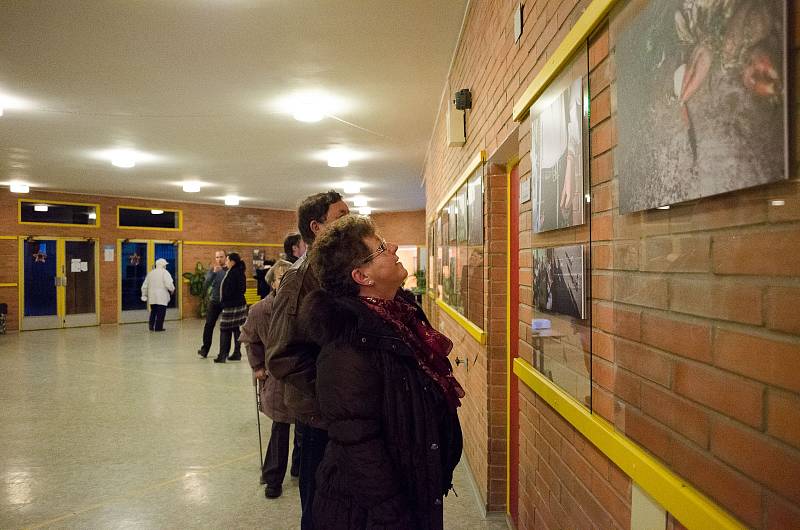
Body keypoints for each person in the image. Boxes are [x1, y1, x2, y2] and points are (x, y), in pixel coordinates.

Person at [299, 215, 464, 529]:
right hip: (370, 513)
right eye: (380, 248)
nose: (394, 247)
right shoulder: (347, 345)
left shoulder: (399, 317)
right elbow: (357, 443)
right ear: (362, 276)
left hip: (414, 488)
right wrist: (393, 513)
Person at [265, 190, 349, 530]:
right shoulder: (298, 280)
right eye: (342, 216)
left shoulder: (343, 273)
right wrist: (330, 391)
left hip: (346, 414)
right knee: (318, 509)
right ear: (317, 227)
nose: (352, 221)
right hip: (319, 417)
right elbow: (280, 356)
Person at [240, 259, 301, 499]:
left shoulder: (302, 305)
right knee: (281, 426)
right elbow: (250, 340)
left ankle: (299, 466)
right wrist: (257, 366)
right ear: (273, 283)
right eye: (280, 278)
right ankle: (273, 476)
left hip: (301, 374)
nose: (285, 283)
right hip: (276, 377)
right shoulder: (260, 310)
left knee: (305, 427)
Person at [214, 252, 247, 363]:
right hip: (238, 303)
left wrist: (224, 301)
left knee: (224, 328)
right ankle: (237, 353)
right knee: (235, 328)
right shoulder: (239, 271)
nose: (226, 262)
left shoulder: (233, 273)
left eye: (227, 260)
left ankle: (222, 355)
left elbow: (230, 290)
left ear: (232, 262)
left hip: (232, 305)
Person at [197, 250, 227, 358]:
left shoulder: (229, 271)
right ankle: (205, 349)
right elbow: (206, 284)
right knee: (209, 325)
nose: (219, 259)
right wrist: (213, 273)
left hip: (226, 302)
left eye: (221, 257)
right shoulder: (212, 271)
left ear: (226, 257)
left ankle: (226, 352)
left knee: (227, 328)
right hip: (214, 301)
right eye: (217, 257)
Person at [140, 258, 175, 332]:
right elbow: (169, 283)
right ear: (163, 265)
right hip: (162, 297)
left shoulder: (151, 273)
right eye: (165, 265)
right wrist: (172, 289)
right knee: (161, 313)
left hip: (152, 297)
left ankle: (151, 326)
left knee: (153, 312)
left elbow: (145, 285)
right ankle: (159, 327)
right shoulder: (165, 272)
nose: (166, 266)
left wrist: (144, 295)